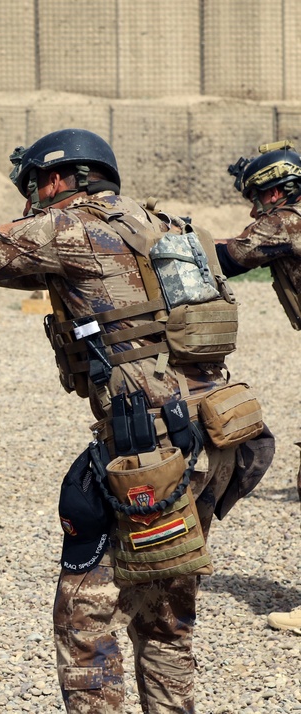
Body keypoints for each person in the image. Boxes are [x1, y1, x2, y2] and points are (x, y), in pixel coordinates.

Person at [0, 128, 275, 713]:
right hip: (218, 430)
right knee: (164, 614)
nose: (30, 199)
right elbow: (21, 271)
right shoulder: (164, 225)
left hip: (149, 446)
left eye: (33, 185)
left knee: (86, 615)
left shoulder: (65, 225)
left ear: (57, 178)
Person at [221, 140, 301, 634]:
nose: (255, 208)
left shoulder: (287, 220)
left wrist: (157, 239)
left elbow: (228, 258)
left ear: (278, 191)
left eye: (258, 196)